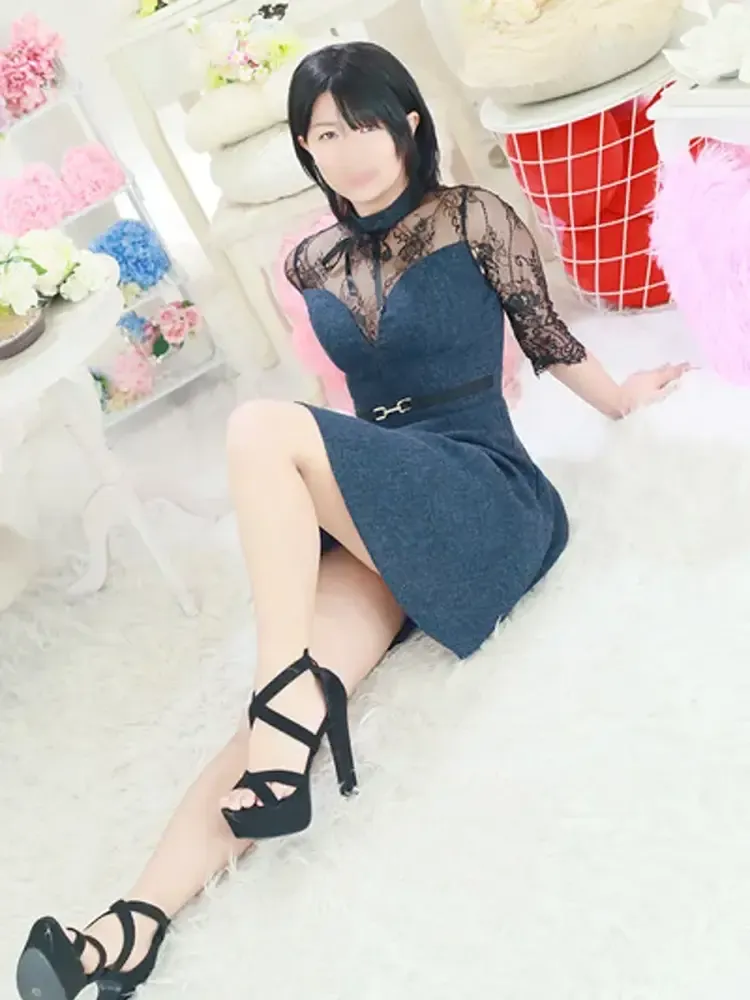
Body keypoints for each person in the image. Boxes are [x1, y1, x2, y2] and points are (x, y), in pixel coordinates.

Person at [15, 40, 690, 1000]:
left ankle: (277, 690)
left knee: (259, 429)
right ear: (304, 149)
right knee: (285, 718)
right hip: (386, 500)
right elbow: (345, 407)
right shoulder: (306, 260)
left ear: (410, 123)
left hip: (482, 489)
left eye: (364, 124)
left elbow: (544, 333)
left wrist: (621, 398)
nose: (347, 149)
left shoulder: (471, 216)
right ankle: (127, 927)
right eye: (323, 135)